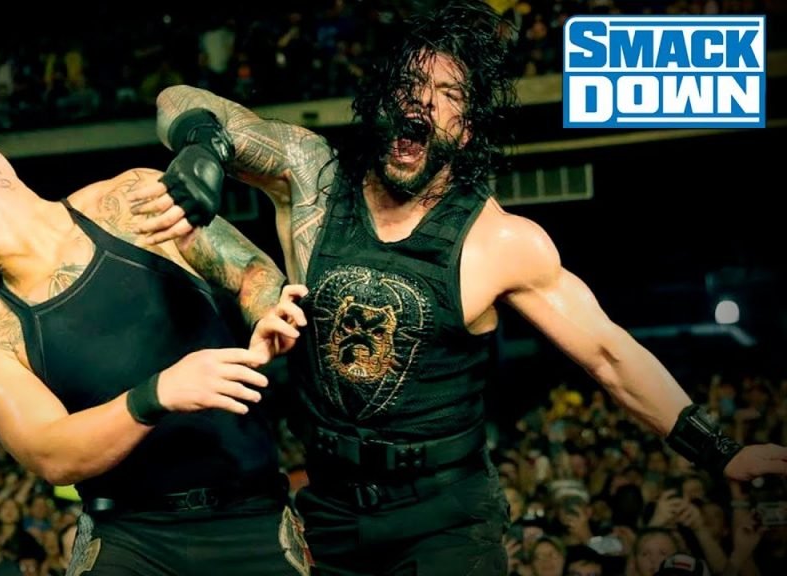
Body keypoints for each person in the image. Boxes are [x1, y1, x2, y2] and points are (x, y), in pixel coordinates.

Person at [129, 1, 787, 574]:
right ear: (384, 100)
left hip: (445, 518)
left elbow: (609, 355)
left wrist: (721, 452)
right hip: (328, 505)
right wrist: (202, 145)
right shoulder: (313, 180)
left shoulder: (500, 241)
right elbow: (176, 98)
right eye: (410, 83)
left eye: (445, 91)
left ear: (467, 126)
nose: (422, 101)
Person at [0, 140, 312, 575]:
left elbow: (249, 271)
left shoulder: (128, 201)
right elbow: (52, 455)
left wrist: (267, 313)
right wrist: (155, 395)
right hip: (129, 537)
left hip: (251, 517)